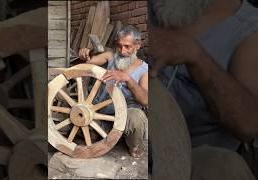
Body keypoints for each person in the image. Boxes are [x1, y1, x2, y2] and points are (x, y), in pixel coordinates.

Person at [148, 0, 258, 179]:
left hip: (190, 157)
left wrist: (195, 56)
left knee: (224, 167)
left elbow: (248, 125)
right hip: (124, 131)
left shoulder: (248, 28)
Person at [78, 25, 148, 158]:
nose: (122, 51)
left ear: (138, 45)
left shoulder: (144, 70)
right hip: (101, 116)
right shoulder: (110, 57)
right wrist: (84, 54)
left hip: (127, 118)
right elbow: (88, 62)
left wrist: (128, 79)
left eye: (127, 46)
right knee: (78, 117)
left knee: (137, 117)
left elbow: (144, 99)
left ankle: (134, 146)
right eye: (119, 46)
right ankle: (107, 137)